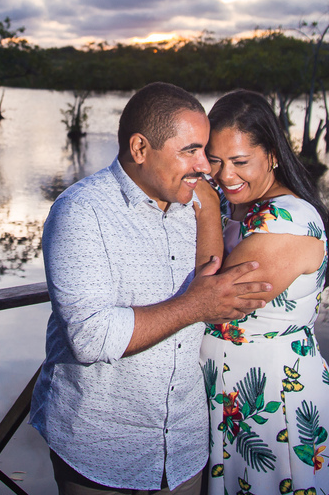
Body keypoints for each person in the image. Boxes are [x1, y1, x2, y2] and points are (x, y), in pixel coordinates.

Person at [30, 82, 273, 495]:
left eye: (205, 151)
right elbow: (91, 337)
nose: (206, 167)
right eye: (191, 151)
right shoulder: (81, 212)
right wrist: (194, 305)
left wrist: (209, 208)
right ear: (140, 149)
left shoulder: (194, 202)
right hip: (100, 449)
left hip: (185, 445)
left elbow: (212, 294)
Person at [198, 90, 329, 495]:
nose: (225, 175)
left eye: (240, 162)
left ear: (273, 155)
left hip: (272, 397)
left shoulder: (287, 220)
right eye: (215, 160)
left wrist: (207, 208)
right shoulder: (241, 207)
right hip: (232, 398)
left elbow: (213, 300)